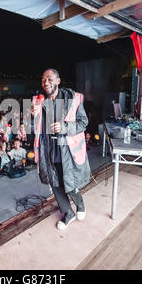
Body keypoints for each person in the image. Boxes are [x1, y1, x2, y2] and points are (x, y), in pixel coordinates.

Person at [34, 68, 90, 230]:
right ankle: (68, 213)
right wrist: (33, 116)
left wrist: (65, 127)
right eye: (43, 80)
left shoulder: (73, 99)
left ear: (58, 81)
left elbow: (83, 123)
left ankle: (80, 203)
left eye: (50, 79)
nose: (46, 83)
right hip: (48, 148)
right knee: (55, 183)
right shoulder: (40, 102)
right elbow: (38, 128)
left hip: (67, 149)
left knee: (69, 183)